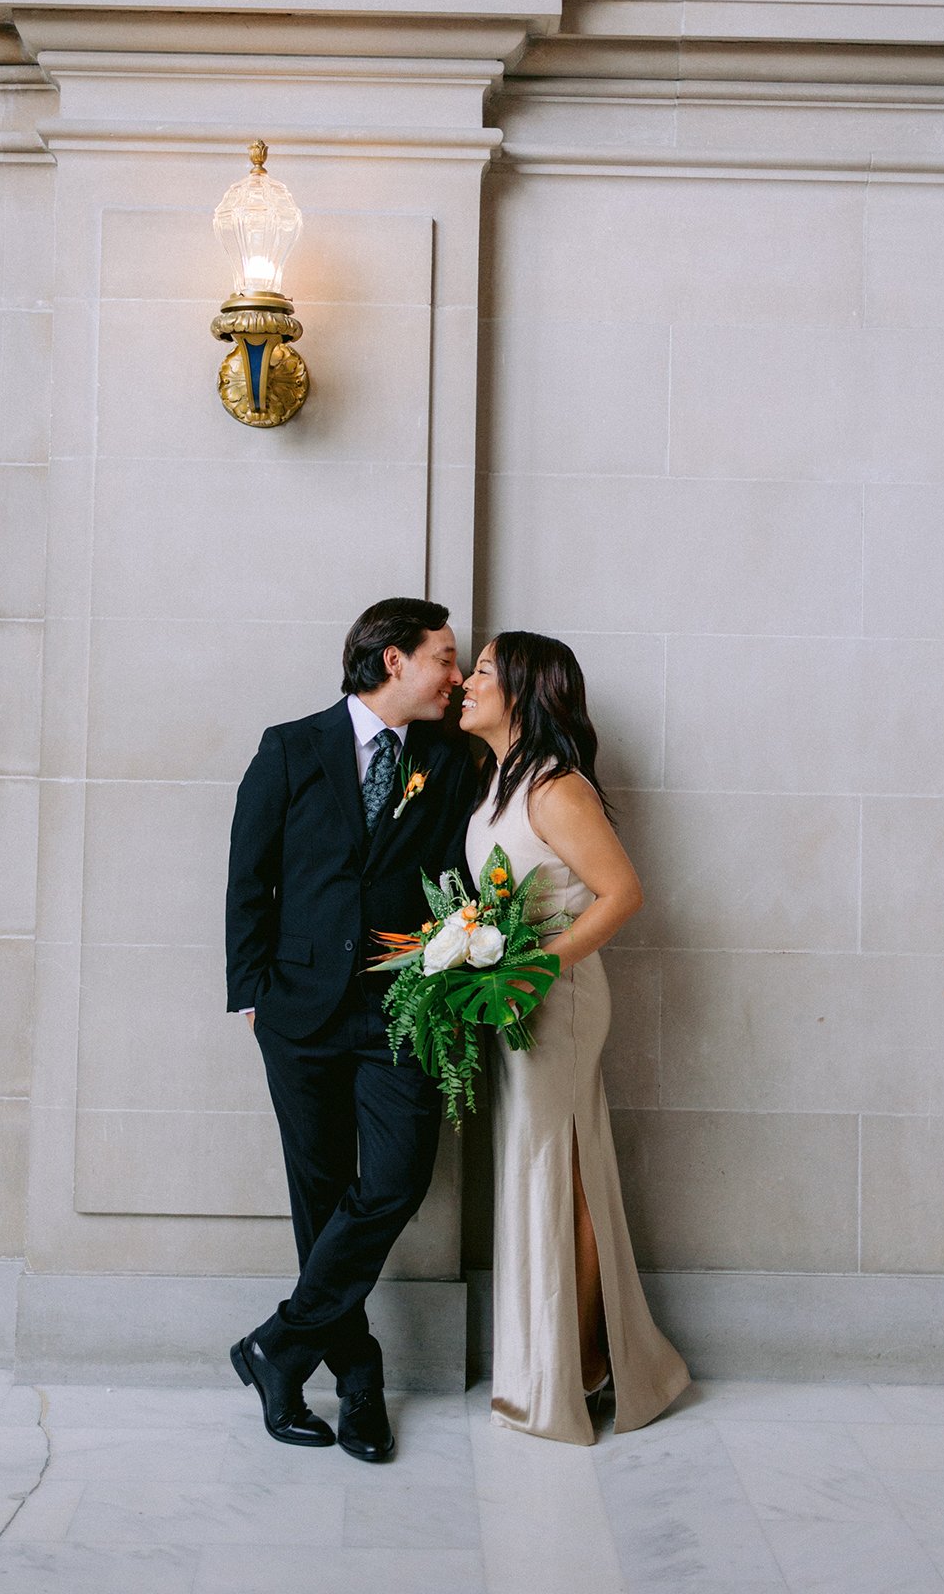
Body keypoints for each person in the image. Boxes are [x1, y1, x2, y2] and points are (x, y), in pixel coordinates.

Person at [225, 597, 477, 1462]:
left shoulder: (449, 760)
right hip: (296, 1012)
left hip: (401, 1008)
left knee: (396, 1180)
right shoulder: (290, 747)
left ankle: (278, 1345)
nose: (456, 673)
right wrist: (253, 993)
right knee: (320, 1195)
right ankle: (356, 1385)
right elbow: (248, 877)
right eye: (446, 657)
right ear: (392, 660)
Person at [461, 630, 691, 1444]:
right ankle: (575, 1359)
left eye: (482, 671)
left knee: (558, 1164)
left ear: (522, 690)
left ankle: (578, 1366)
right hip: (513, 999)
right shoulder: (498, 783)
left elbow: (621, 893)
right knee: (544, 1163)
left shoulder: (556, 788)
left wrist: (535, 968)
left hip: (554, 1003)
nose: (464, 681)